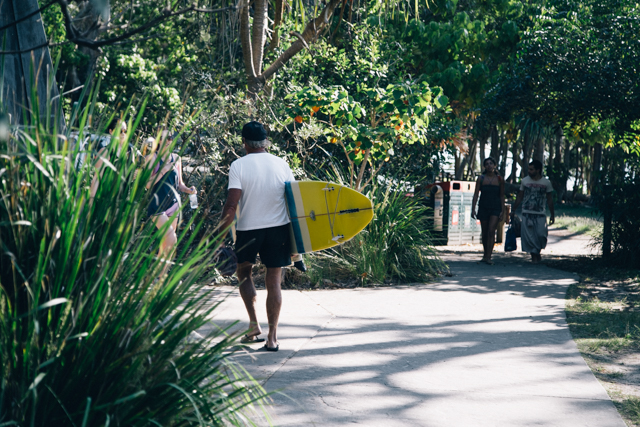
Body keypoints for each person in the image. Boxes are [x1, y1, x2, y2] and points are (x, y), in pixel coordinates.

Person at [219, 121, 295, 352]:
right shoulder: (281, 163)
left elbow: (232, 204)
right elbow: (294, 201)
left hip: (248, 230)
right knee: (274, 280)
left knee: (244, 273)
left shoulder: (238, 165)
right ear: (265, 142)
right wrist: (296, 241)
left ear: (244, 143)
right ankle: (272, 338)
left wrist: (220, 236)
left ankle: (254, 325)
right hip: (278, 228)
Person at [145, 130, 197, 266]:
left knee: (167, 244)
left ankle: (161, 277)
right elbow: (147, 185)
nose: (168, 141)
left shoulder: (176, 158)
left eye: (170, 138)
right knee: (172, 239)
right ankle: (157, 274)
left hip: (173, 205)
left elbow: (179, 184)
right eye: (164, 138)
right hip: (157, 206)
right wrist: (164, 169)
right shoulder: (151, 158)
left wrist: (189, 190)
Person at [512, 159, 555, 263]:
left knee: (541, 234)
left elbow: (549, 199)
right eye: (529, 169)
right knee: (529, 236)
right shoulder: (525, 181)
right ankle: (534, 255)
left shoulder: (546, 182)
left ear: (538, 170)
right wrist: (513, 210)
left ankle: (537, 252)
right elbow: (520, 196)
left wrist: (552, 214)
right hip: (526, 212)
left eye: (531, 169)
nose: (529, 171)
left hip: (540, 213)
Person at [471, 157, 506, 265]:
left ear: (495, 165)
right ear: (484, 166)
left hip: (495, 207)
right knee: (485, 232)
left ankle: (489, 256)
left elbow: (501, 195)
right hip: (483, 206)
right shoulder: (481, 179)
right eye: (487, 164)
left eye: (491, 163)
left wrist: (502, 210)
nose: (489, 165)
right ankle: (485, 255)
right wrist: (473, 208)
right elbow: (476, 194)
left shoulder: (499, 179)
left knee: (491, 231)